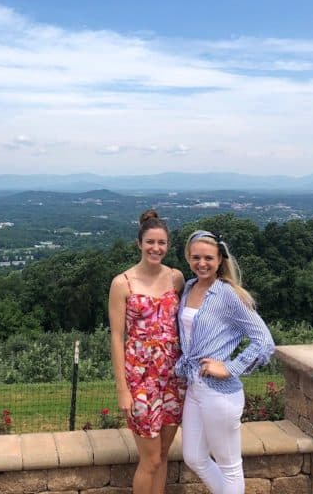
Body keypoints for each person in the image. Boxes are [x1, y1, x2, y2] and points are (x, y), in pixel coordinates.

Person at [176, 230, 275, 494]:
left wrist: (230, 367)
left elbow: (264, 341)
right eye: (196, 257)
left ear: (220, 259)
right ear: (188, 258)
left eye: (208, 258)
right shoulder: (188, 287)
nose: (202, 263)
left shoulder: (228, 295)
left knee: (229, 465)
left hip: (219, 393)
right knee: (194, 457)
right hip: (195, 387)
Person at [109, 209, 186, 494]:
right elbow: (117, 338)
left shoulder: (176, 278)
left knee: (163, 455)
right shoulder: (123, 283)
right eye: (151, 242)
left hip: (173, 379)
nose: (156, 248)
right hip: (140, 381)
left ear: (168, 245)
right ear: (139, 243)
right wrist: (122, 388)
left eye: (162, 243)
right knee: (150, 459)